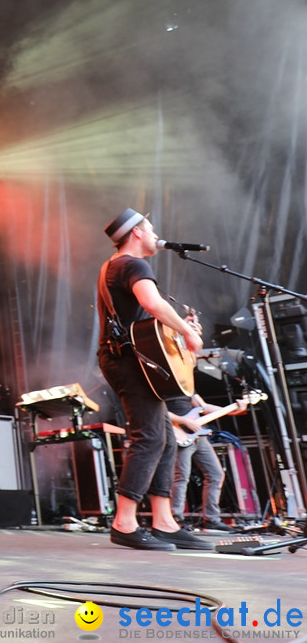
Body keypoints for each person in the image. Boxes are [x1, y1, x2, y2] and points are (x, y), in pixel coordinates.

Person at [96, 208, 211, 551]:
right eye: (151, 228)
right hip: (128, 363)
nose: (155, 233)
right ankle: (124, 522)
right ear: (137, 234)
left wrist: (178, 334)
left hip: (134, 361)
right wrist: (188, 332)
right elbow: (153, 303)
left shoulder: (114, 266)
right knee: (148, 437)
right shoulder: (132, 265)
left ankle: (163, 521)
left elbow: (148, 325)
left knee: (165, 438)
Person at [167, 393, 246, 532]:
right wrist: (184, 421)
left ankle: (211, 520)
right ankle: (175, 519)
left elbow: (202, 407)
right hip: (179, 434)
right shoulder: (161, 383)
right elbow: (158, 412)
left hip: (198, 436)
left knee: (215, 474)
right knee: (181, 477)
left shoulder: (186, 386)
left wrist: (232, 409)